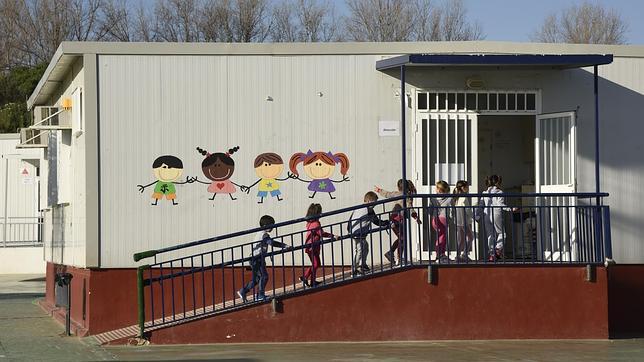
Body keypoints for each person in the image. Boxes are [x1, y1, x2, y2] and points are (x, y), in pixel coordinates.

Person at [237, 215, 289, 302]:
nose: (273, 227)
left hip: (255, 258)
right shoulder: (264, 234)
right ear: (265, 226)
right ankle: (260, 295)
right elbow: (271, 242)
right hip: (257, 259)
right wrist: (284, 246)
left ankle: (243, 291)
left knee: (257, 279)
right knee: (264, 276)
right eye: (271, 225)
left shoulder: (260, 233)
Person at [375, 179, 421, 265]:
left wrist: (379, 190)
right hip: (398, 219)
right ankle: (398, 258)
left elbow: (387, 194)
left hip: (393, 218)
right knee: (402, 238)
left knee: (401, 238)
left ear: (398, 187)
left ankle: (392, 253)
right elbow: (410, 208)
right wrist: (416, 217)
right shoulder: (407, 196)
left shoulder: (396, 194)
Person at [348, 192, 389, 276]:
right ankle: (354, 269)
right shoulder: (367, 209)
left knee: (365, 247)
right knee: (359, 250)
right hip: (358, 233)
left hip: (356, 232)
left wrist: (349, 230)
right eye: (374, 202)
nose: (375, 204)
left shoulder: (360, 207)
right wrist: (386, 223)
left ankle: (363, 264)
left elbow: (350, 219)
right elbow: (376, 221)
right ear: (369, 201)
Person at [479, 175, 517, 262]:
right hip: (496, 213)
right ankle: (498, 249)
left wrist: (477, 215)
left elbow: (481, 205)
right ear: (498, 182)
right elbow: (501, 205)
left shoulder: (485, 192)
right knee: (502, 233)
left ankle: (492, 254)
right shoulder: (499, 192)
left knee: (490, 235)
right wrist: (510, 209)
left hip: (486, 214)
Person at [300, 203, 337, 287]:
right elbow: (321, 233)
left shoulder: (309, 223)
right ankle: (305, 277)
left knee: (316, 263)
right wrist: (333, 236)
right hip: (312, 247)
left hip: (311, 246)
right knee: (316, 264)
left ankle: (312, 281)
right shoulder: (316, 224)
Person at [431, 181, 452, 263]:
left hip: (434, 219)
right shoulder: (449, 198)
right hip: (443, 218)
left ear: (438, 189)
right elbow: (451, 208)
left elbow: (430, 209)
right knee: (442, 237)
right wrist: (451, 217)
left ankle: (440, 254)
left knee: (440, 236)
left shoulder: (433, 198)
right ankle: (440, 255)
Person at [453, 180, 474, 262]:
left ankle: (458, 255)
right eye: (467, 187)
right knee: (471, 237)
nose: (468, 188)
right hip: (463, 221)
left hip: (458, 221)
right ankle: (464, 254)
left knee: (460, 239)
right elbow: (468, 210)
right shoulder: (464, 198)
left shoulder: (457, 198)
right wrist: (475, 216)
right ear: (463, 188)